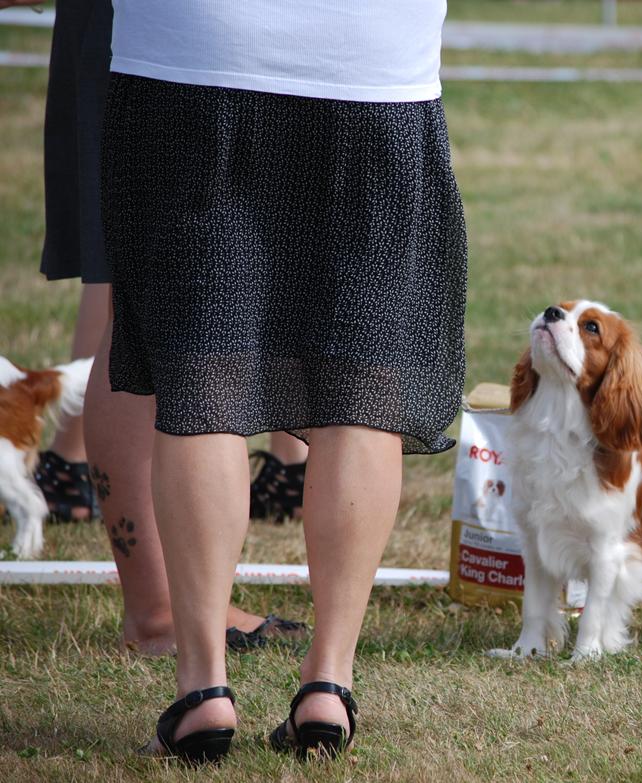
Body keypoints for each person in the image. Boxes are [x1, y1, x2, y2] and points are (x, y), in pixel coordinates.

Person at [101, 0, 467, 763]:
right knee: (361, 381)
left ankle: (203, 686)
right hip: (371, 59)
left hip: (193, 54)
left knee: (203, 374)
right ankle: (328, 680)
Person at [13, 0, 306, 655]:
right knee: (159, 305)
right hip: (165, 39)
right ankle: (161, 609)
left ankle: (165, 603)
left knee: (167, 300)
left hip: (198, 38)